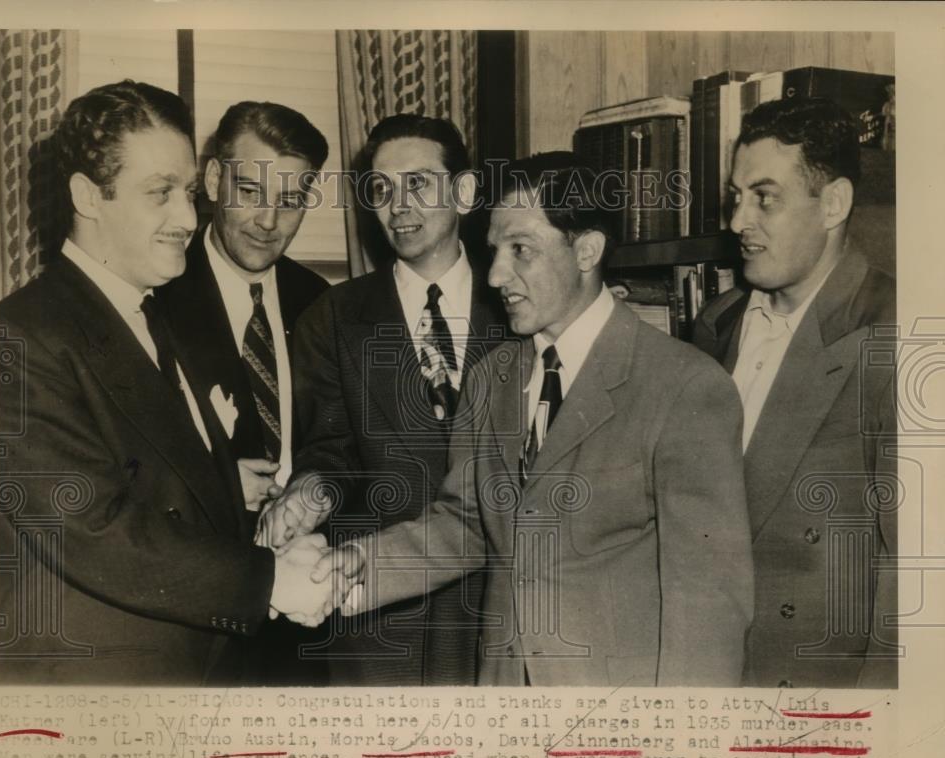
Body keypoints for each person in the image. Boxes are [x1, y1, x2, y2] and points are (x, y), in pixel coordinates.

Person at [296, 152, 754, 686]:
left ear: (586, 250)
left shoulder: (684, 387)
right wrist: (360, 564)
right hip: (504, 696)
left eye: (521, 251)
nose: (494, 275)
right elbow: (467, 523)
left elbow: (709, 601)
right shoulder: (492, 378)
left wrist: (681, 741)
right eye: (494, 251)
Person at [0, 80, 355, 685]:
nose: (188, 217)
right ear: (88, 196)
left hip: (199, 667)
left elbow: (179, 476)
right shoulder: (21, 334)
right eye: (160, 194)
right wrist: (271, 579)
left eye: (187, 194)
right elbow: (93, 528)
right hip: (99, 688)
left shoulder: (145, 313)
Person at [279, 114, 507, 685]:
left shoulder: (517, 307)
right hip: (376, 616)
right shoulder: (332, 318)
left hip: (498, 608)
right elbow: (327, 450)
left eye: (419, 183)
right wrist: (311, 491)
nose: (398, 206)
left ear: (466, 191)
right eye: (381, 189)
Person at [692, 96, 898, 688]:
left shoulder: (897, 333)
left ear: (832, 203)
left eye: (765, 198)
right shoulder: (717, 323)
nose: (737, 222)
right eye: (737, 197)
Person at [155, 101, 331, 683]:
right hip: (191, 627)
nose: (269, 220)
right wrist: (218, 485)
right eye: (251, 191)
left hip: (310, 624)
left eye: (291, 200)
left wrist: (321, 488)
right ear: (211, 180)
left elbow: (345, 443)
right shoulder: (154, 299)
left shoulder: (324, 303)